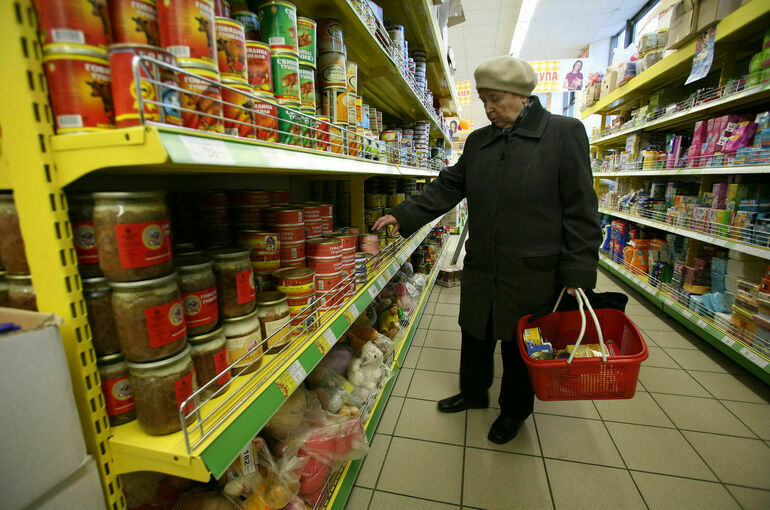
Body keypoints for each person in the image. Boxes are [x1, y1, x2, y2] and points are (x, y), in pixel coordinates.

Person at [372, 55, 601, 444]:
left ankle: (514, 411)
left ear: (522, 95)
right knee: (474, 331)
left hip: (534, 269)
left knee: (520, 343)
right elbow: (449, 185)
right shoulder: (480, 141)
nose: (489, 108)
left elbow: (581, 210)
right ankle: (474, 393)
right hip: (484, 263)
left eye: (495, 99)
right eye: (484, 100)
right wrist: (403, 213)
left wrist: (578, 270)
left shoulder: (564, 133)